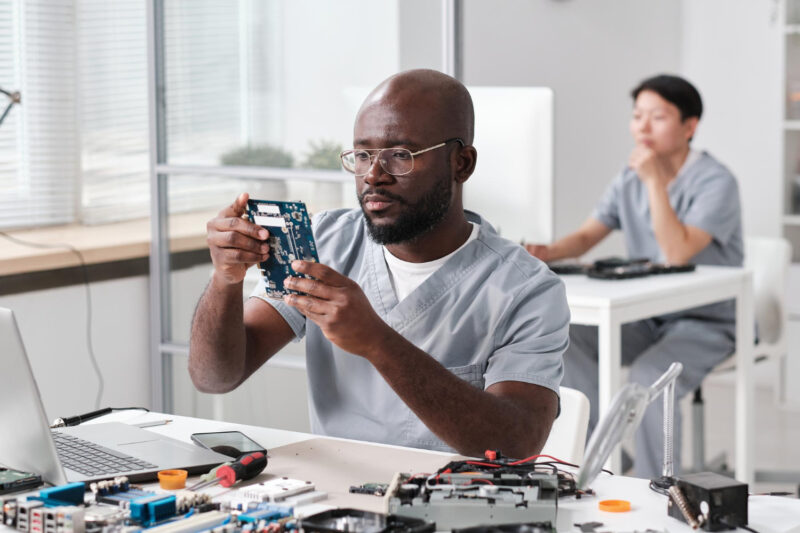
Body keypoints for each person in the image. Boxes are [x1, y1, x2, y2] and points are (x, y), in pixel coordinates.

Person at [189, 69, 570, 458]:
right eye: (363, 155)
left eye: (400, 156)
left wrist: (377, 341)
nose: (373, 176)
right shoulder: (325, 242)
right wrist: (225, 279)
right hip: (331, 498)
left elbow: (516, 444)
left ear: (461, 164)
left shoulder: (527, 290)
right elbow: (215, 377)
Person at [526, 74, 743, 479]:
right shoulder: (629, 178)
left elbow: (676, 251)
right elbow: (590, 234)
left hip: (707, 322)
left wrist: (655, 182)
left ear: (689, 126)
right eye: (637, 115)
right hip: (650, 317)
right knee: (563, 339)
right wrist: (548, 251)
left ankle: (655, 486)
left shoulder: (716, 181)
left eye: (657, 117)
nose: (642, 127)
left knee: (650, 378)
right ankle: (602, 461)